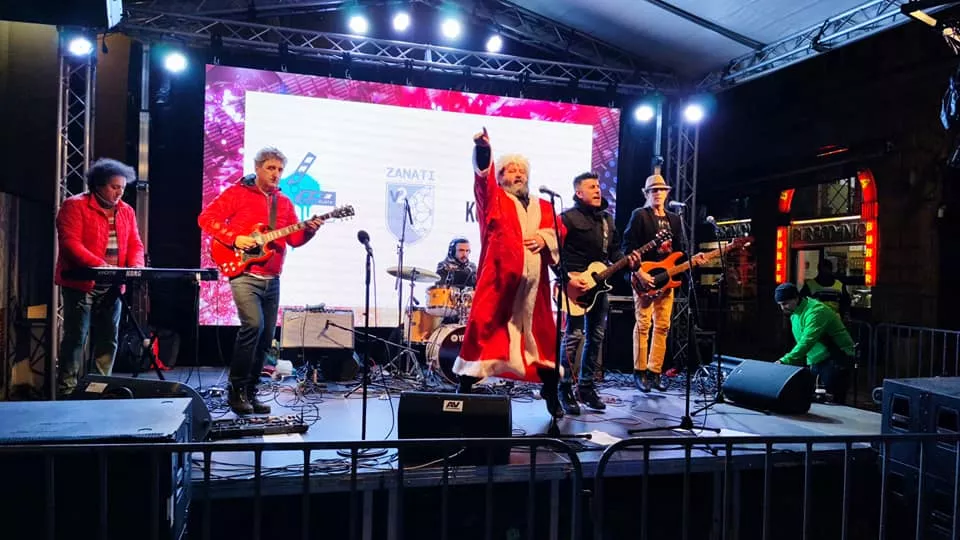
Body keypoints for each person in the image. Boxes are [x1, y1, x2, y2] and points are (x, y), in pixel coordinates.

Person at [198, 147, 324, 415]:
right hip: (244, 274)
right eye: (271, 168)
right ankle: (236, 390)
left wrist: (310, 231)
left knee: (266, 338)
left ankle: (251, 392)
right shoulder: (237, 193)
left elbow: (294, 240)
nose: (276, 174)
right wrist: (235, 238)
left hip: (272, 278)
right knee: (253, 326)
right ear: (257, 168)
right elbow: (206, 218)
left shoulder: (285, 203)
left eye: (280, 169)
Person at [452, 128, 566, 418]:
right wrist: (484, 151)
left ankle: (551, 393)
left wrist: (545, 239)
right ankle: (461, 395)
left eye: (522, 171)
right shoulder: (494, 200)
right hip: (498, 286)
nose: (518, 175)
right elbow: (482, 181)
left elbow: (560, 231)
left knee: (543, 342)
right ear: (500, 177)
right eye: (511, 170)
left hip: (534, 291)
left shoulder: (544, 206)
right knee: (482, 336)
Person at [55, 158, 145, 396]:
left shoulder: (126, 210)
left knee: (108, 338)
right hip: (81, 283)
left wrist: (136, 267)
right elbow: (70, 244)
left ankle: (98, 388)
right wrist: (100, 265)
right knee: (76, 337)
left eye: (122, 188)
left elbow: (135, 243)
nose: (119, 192)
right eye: (114, 187)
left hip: (113, 285)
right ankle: (66, 390)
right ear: (98, 185)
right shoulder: (75, 206)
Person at [557, 172, 639, 414]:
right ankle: (563, 388)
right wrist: (568, 279)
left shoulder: (607, 220)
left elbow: (613, 253)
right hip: (574, 285)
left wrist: (629, 261)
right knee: (573, 335)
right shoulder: (567, 218)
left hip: (600, 285)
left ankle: (586, 387)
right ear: (578, 192)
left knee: (596, 336)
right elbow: (555, 253)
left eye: (598, 186)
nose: (597, 190)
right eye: (591, 186)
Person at [621, 174, 706, 393]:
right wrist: (639, 273)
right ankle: (639, 372)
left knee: (663, 326)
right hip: (645, 277)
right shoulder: (640, 215)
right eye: (653, 190)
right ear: (646, 193)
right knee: (643, 325)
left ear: (667, 193)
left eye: (661, 189)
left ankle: (655, 371)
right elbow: (627, 247)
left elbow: (679, 251)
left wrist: (692, 260)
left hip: (666, 279)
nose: (658, 193)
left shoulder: (674, 219)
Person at [775, 282, 855, 405]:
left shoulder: (816, 311)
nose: (782, 308)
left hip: (836, 359)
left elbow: (807, 340)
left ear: (796, 298)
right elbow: (803, 341)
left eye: (785, 303)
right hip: (817, 360)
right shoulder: (795, 313)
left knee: (833, 403)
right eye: (780, 304)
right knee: (817, 399)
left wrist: (785, 360)